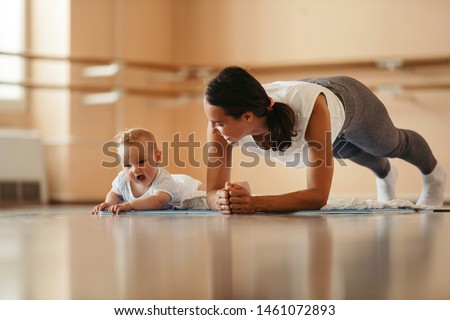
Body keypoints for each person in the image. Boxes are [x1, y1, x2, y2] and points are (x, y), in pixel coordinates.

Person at [203, 66, 447, 214]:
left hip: (348, 100)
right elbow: (212, 192)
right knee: (349, 151)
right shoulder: (220, 122)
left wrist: (253, 204)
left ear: (247, 116)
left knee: (388, 144)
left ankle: (434, 175)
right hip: (312, 101)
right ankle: (385, 175)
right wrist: (224, 201)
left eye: (219, 123)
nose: (213, 129)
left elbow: (317, 195)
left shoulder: (310, 110)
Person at [92, 128, 203, 214]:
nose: (135, 169)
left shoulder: (164, 180)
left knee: (207, 194)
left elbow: (158, 201)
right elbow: (115, 193)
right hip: (175, 182)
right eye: (128, 165)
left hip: (186, 186)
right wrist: (109, 203)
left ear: (157, 158)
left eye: (141, 162)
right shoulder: (123, 179)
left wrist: (130, 205)